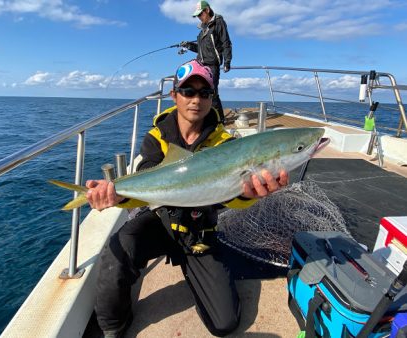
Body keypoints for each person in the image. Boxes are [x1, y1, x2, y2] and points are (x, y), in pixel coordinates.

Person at [86, 59, 288, 338]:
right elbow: (148, 192)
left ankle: (201, 270)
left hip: (199, 230)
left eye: (204, 93)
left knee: (225, 324)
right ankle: (113, 326)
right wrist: (116, 196)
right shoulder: (156, 137)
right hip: (159, 222)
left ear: (212, 98)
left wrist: (245, 196)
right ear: (174, 95)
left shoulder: (224, 145)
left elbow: (227, 198)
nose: (196, 99)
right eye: (188, 91)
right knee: (120, 245)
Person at [180, 0, 232, 123]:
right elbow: (200, 49)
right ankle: (210, 118)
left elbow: (226, 43)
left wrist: (227, 62)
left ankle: (219, 121)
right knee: (204, 93)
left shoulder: (218, 23)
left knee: (212, 93)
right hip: (201, 66)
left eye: (200, 14)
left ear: (207, 10)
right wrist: (188, 45)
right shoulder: (202, 31)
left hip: (212, 65)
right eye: (197, 15)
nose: (199, 17)